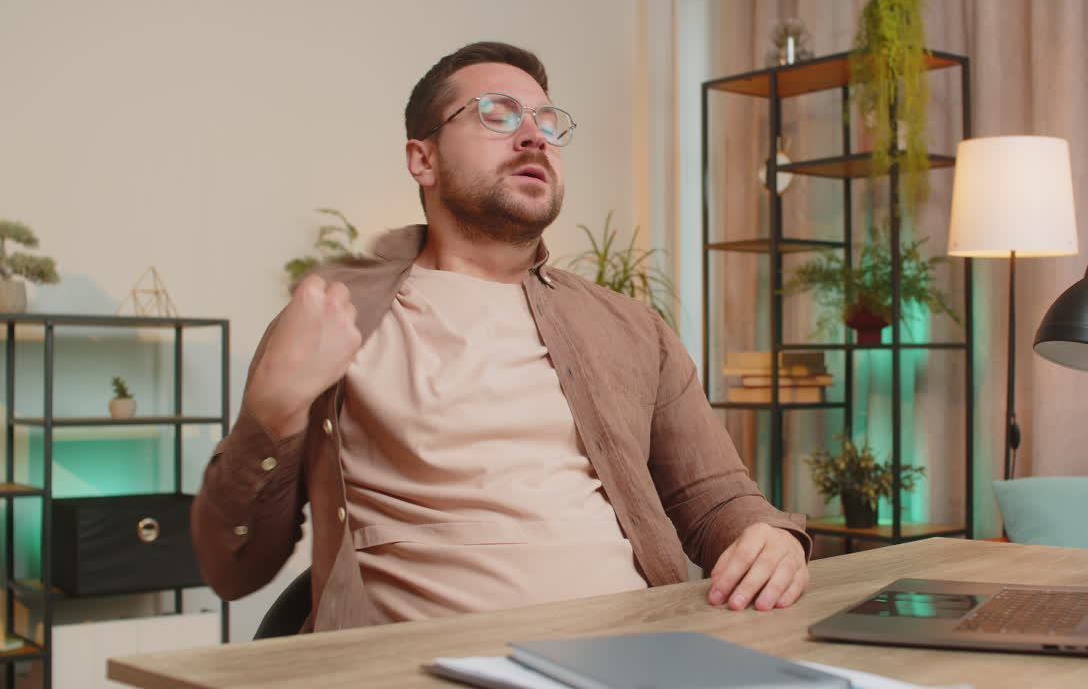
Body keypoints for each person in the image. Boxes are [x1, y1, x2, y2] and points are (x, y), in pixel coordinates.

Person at [192, 41, 810, 633]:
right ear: (422, 159)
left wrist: (770, 535)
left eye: (546, 120)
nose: (534, 134)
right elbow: (232, 567)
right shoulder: (337, 318)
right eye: (496, 114)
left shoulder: (630, 329)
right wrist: (269, 417)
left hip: (634, 658)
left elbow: (717, 499)